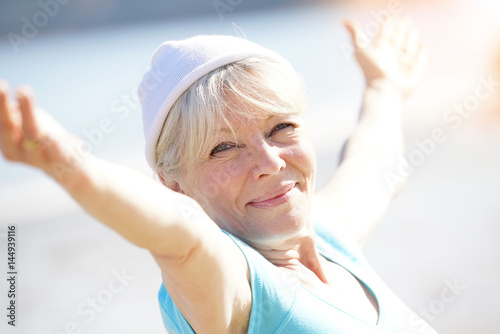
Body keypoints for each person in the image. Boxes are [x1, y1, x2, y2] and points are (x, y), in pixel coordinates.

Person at [0, 16, 435, 334]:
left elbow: (373, 161)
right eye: (223, 148)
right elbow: (176, 234)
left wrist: (383, 86)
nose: (269, 163)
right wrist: (72, 167)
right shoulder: (234, 286)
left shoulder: (327, 236)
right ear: (174, 185)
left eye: (280, 127)